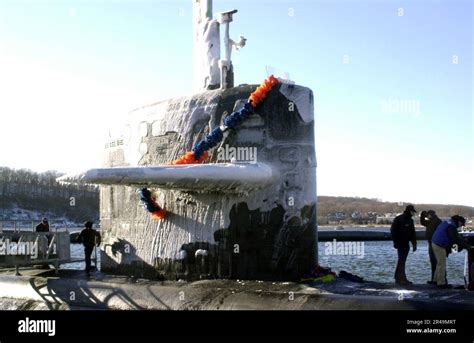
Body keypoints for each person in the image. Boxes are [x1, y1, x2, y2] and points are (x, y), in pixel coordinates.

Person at [431, 215, 474, 289]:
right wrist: (467, 247)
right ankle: (441, 283)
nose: (460, 226)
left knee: (439, 263)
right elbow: (455, 239)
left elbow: (453, 238)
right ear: (459, 221)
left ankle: (435, 280)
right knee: (441, 263)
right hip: (439, 244)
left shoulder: (448, 222)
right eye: (461, 224)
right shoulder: (452, 226)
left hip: (435, 242)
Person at [390, 205, 417, 285]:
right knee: (401, 261)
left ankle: (399, 278)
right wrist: (395, 242)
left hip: (406, 243)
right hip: (400, 243)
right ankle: (401, 278)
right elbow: (393, 231)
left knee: (402, 261)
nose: (413, 213)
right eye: (412, 212)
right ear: (409, 211)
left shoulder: (410, 220)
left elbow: (413, 233)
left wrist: (414, 244)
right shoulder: (399, 219)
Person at [420, 210, 442, 284]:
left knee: (435, 262)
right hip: (432, 243)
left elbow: (424, 223)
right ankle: (434, 279)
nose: (427, 216)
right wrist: (423, 215)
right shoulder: (433, 221)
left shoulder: (435, 221)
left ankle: (436, 279)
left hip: (435, 243)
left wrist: (423, 215)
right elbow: (423, 222)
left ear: (430, 215)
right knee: (434, 262)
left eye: (428, 215)